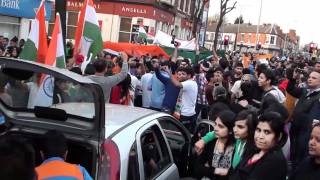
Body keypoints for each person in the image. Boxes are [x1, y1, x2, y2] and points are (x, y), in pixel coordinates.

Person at [229, 111, 287, 180]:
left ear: (279, 136)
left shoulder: (275, 160)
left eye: (267, 132)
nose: (260, 136)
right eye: (258, 130)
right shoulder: (255, 149)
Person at [288, 70, 320, 168]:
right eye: (309, 77)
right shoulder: (305, 91)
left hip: (306, 133)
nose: (310, 79)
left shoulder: (318, 97)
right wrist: (293, 78)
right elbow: (290, 89)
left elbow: (312, 118)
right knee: (293, 155)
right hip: (295, 131)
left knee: (301, 158)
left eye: (314, 78)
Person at [193, 110, 236, 180]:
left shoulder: (236, 148)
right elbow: (198, 168)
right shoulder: (210, 142)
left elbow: (233, 174)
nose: (215, 129)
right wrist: (215, 170)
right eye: (215, 124)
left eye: (221, 126)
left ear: (230, 130)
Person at [167, 66, 198, 132]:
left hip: (185, 115)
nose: (181, 76)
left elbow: (177, 85)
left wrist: (169, 73)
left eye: (184, 74)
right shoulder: (192, 82)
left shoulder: (189, 83)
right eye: (180, 74)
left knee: (182, 133)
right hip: (187, 113)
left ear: (189, 76)